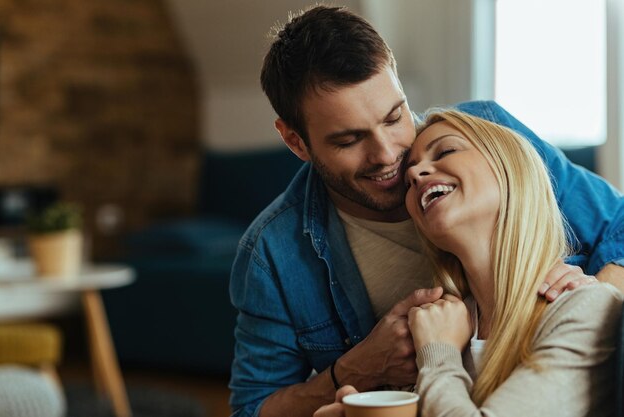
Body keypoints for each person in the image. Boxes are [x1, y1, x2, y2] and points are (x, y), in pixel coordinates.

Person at [229, 5, 624, 417]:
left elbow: (620, 224)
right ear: (296, 142)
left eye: (395, 116)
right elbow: (252, 409)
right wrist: (355, 371)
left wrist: (588, 307)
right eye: (349, 140)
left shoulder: (484, 136)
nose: (391, 158)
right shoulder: (272, 252)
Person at [314, 109, 623, 417]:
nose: (414, 174)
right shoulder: (437, 325)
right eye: (409, 176)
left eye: (446, 150)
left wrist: (438, 356)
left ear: (510, 168)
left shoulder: (586, 305)